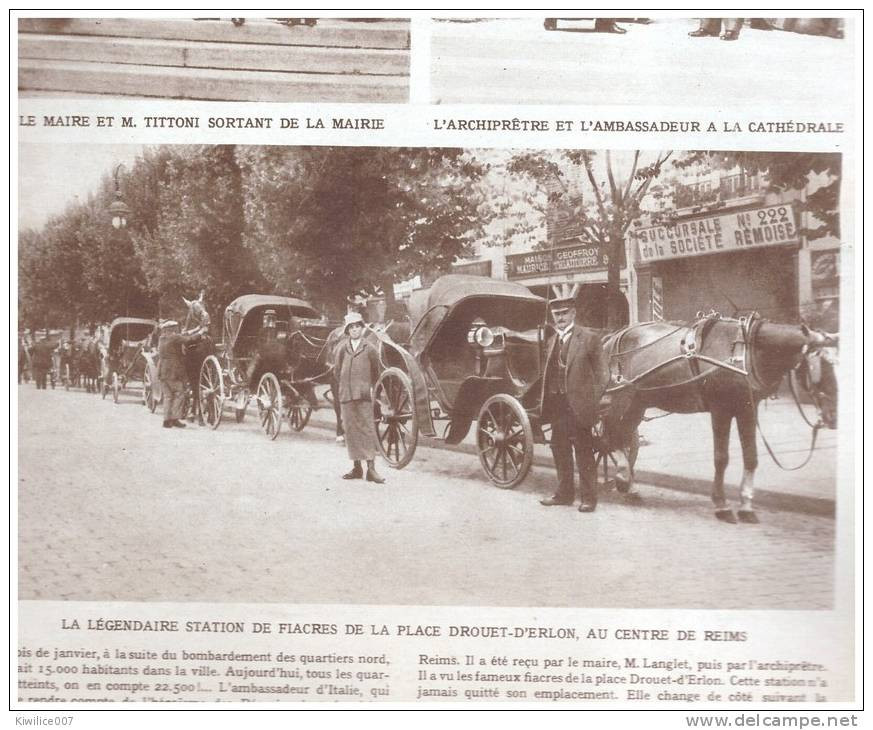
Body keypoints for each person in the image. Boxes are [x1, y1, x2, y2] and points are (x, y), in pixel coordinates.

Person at [540, 295, 609, 512]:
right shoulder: (551, 341)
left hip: (580, 406)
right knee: (560, 450)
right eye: (556, 314)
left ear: (573, 313)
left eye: (564, 313)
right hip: (557, 405)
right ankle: (564, 494)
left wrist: (592, 400)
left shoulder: (589, 338)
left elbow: (603, 374)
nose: (560, 318)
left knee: (583, 451)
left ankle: (589, 499)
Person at [335, 312, 385, 484]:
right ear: (347, 330)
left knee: (366, 429)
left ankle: (371, 469)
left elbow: (376, 372)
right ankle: (357, 467)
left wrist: (370, 390)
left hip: (363, 395)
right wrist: (344, 387)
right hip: (346, 394)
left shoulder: (369, 348)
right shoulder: (342, 348)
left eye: (357, 326)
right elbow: (337, 370)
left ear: (362, 328)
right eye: (351, 327)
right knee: (350, 430)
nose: (355, 330)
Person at [158, 320, 201, 429]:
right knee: (179, 393)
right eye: (176, 327)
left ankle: (166, 421)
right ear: (172, 329)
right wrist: (201, 333)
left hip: (163, 370)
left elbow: (182, 335)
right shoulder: (174, 337)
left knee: (168, 396)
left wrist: (195, 329)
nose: (177, 329)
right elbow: (189, 340)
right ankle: (175, 419)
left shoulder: (162, 338)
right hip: (173, 371)